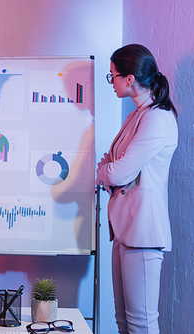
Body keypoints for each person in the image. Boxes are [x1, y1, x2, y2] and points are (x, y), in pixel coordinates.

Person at [97, 44, 178, 333]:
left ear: (129, 79)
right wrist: (108, 169)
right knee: (123, 322)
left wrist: (104, 172)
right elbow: (111, 161)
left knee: (141, 324)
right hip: (124, 229)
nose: (112, 82)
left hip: (143, 232)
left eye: (113, 76)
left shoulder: (157, 118)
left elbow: (117, 171)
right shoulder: (136, 115)